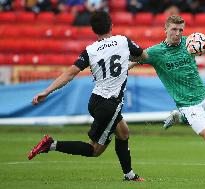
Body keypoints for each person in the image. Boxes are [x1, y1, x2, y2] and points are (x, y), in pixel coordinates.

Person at [129, 15, 205, 180]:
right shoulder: (155, 52)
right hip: (187, 104)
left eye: (181, 30)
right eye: (174, 29)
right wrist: (115, 71)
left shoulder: (192, 42)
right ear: (165, 29)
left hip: (204, 95)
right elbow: (134, 61)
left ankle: (180, 117)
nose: (178, 33)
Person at [28, 11, 148, 181]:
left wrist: (46, 91)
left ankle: (129, 175)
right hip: (109, 104)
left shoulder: (90, 50)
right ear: (111, 25)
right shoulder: (123, 41)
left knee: (123, 132)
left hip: (96, 101)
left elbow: (70, 73)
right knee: (95, 150)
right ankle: (51, 144)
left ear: (94, 30)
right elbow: (144, 56)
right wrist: (149, 57)